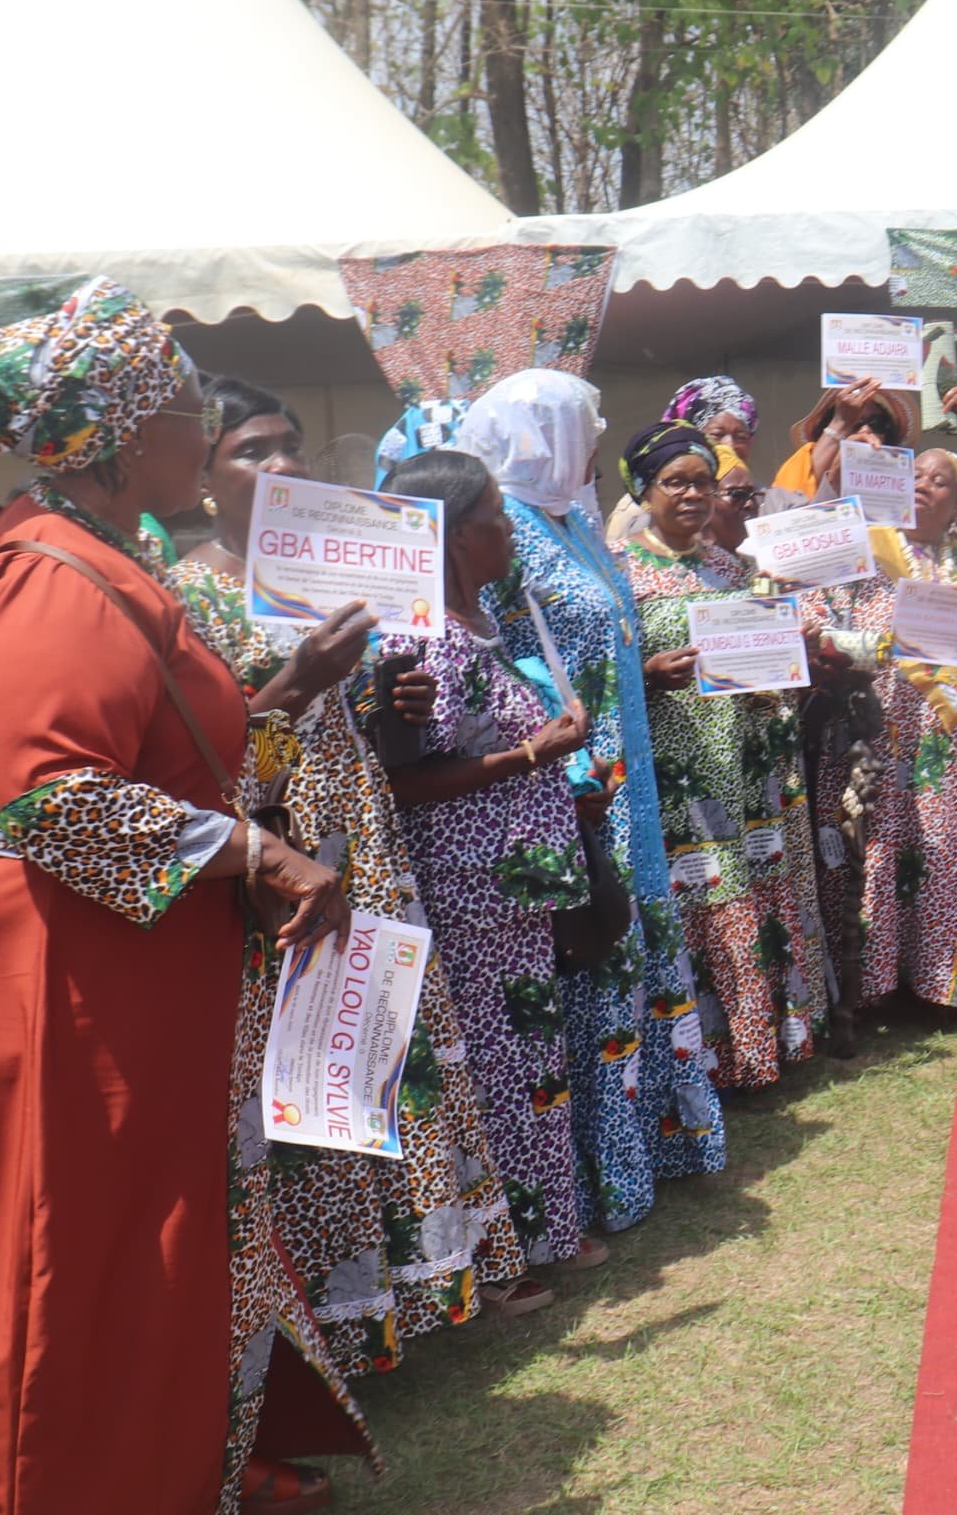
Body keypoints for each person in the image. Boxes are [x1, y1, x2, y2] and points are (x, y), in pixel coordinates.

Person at [0, 279, 369, 1513]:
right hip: (52, 982)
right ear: (120, 438)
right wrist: (264, 857)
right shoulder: (55, 570)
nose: (198, 426)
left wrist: (270, 705)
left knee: (128, 1255)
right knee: (60, 1264)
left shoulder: (94, 552)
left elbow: (145, 750)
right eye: (181, 404)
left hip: (106, 969)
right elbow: (54, 797)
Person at [174, 376, 538, 1368]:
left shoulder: (320, 575)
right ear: (204, 475)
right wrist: (298, 685)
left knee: (384, 1053)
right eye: (251, 449)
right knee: (314, 1074)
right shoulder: (187, 590)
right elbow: (198, 756)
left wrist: (391, 702)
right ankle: (337, 1317)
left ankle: (419, 1290)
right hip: (279, 858)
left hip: (364, 839)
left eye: (289, 442)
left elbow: (352, 726)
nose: (281, 463)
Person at [458, 370, 729, 1231]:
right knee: (593, 960)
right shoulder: (505, 531)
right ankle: (597, 1176)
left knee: (636, 951)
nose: (595, 435)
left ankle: (652, 1149)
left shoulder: (573, 521)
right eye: (584, 422)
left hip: (629, 768)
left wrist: (639, 673)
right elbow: (490, 651)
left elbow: (602, 638)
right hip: (572, 779)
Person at [377, 450, 604, 1281]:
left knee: (532, 1054)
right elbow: (407, 780)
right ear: (458, 535)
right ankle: (515, 1249)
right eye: (499, 520)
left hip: (516, 883)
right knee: (501, 1064)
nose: (511, 534)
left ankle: (549, 1231)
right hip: (472, 889)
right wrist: (532, 755)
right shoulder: (422, 637)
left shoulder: (481, 621)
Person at [618, 421, 831, 1085]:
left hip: (746, 765)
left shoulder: (735, 568)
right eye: (674, 481)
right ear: (642, 489)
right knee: (700, 902)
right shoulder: (620, 570)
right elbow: (603, 667)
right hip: (676, 768)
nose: (692, 494)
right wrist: (646, 671)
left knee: (751, 894)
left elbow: (775, 654)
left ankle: (756, 1050)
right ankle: (700, 1064)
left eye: (703, 482)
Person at [806, 449, 957, 1013]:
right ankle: (873, 987)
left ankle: (938, 986)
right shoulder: (861, 552)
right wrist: (875, 649)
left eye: (942, 481)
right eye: (916, 475)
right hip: (877, 733)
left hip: (949, 747)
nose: (926, 485)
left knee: (945, 851)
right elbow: (818, 633)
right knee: (873, 848)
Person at [775, 375, 957, 505]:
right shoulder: (807, 468)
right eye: (854, 421)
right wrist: (840, 425)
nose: (866, 431)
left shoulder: (912, 484)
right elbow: (786, 508)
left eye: (877, 423)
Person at [610, 375, 760, 542]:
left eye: (741, 437)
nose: (729, 445)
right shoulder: (637, 511)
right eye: (717, 435)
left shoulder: (756, 498)